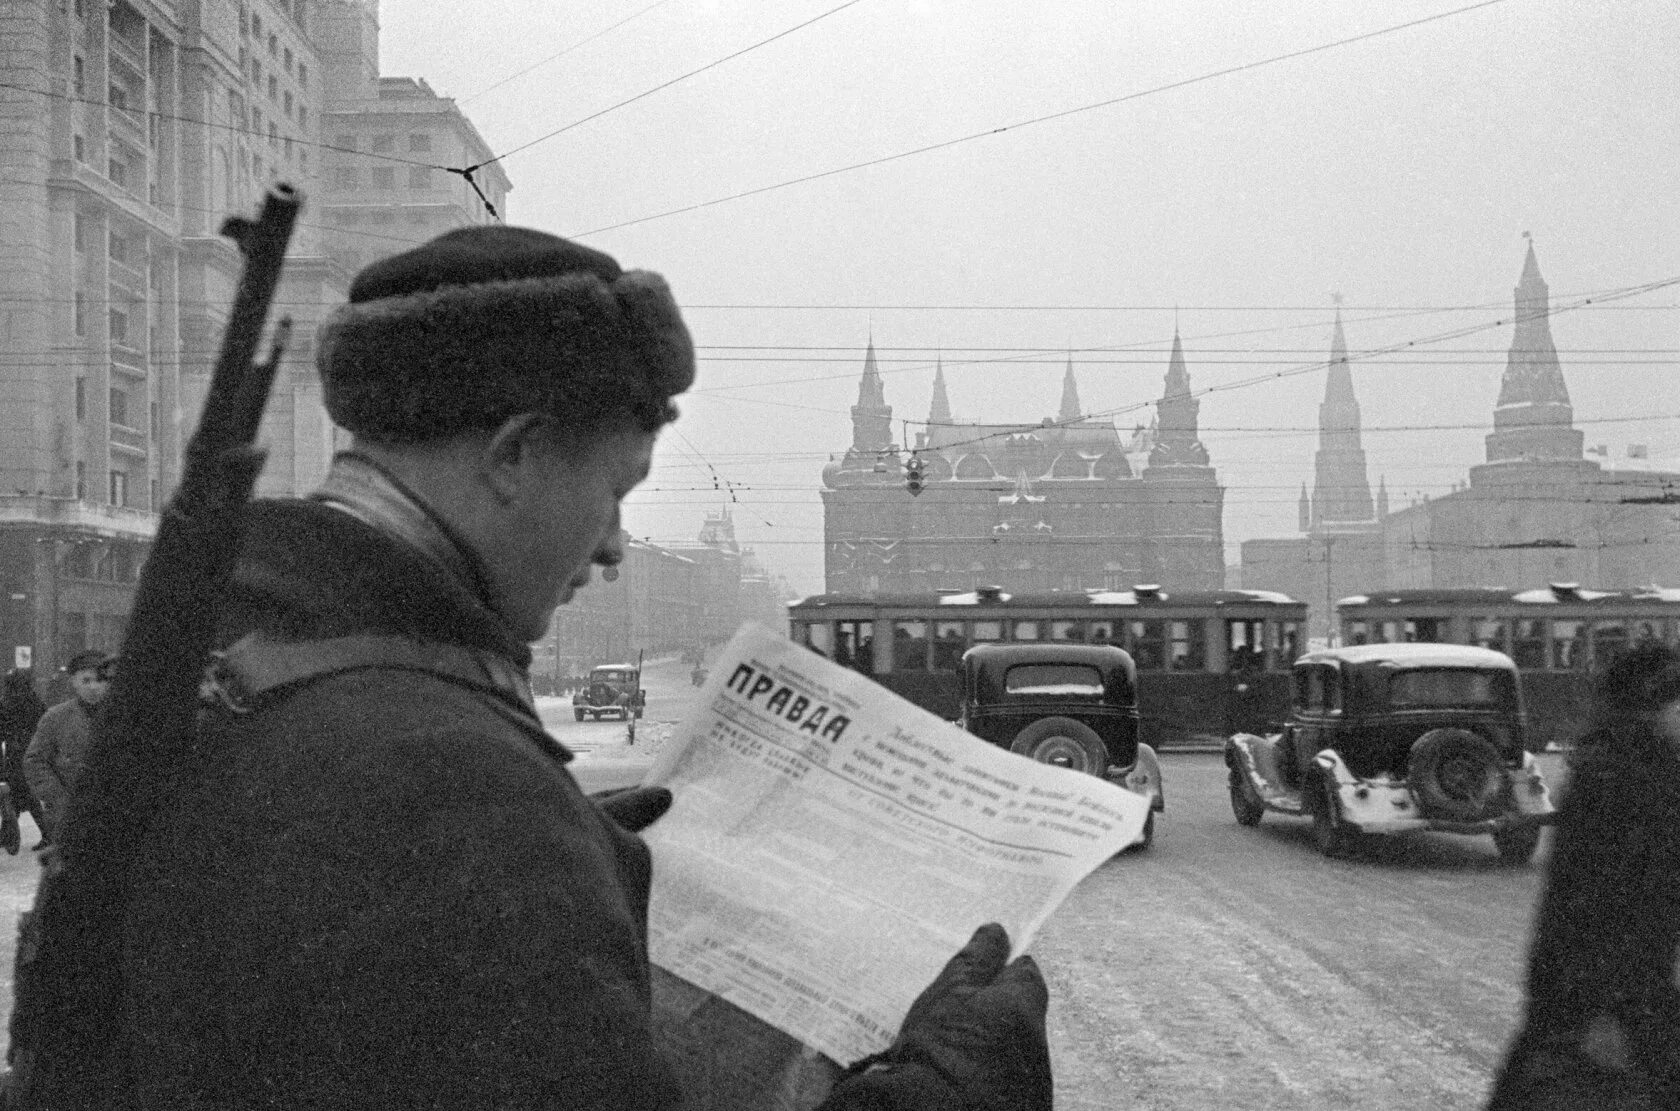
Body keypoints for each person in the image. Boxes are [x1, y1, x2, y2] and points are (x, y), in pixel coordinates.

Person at [116, 226, 1051, 1110]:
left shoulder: (253, 659)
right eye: (616, 489)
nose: (613, 545)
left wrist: (554, 857)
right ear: (515, 453)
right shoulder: (448, 786)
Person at [1486, 641, 1680, 1110]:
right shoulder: (1620, 784)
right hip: (1607, 1010)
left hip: (1627, 1001)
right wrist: (1599, 1016)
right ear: (1650, 709)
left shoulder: (1647, 773)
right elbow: (1580, 915)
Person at [22, 649, 111, 847]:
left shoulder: (123, 718)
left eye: (99, 680)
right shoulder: (56, 718)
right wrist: (61, 801)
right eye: (85, 681)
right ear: (73, 682)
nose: (93, 687)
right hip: (68, 822)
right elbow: (34, 761)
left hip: (114, 817)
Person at [0, 668, 47, 851]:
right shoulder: (34, 700)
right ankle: (7, 834)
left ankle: (9, 834)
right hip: (31, 752)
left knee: (20, 795)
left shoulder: (7, 702)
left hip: (14, 755)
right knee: (21, 795)